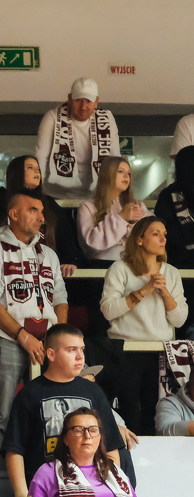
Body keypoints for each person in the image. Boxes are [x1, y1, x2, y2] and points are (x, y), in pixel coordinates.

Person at [0, 193, 69, 497]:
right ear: (13, 214)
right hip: (8, 339)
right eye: (33, 210)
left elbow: (60, 299)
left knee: (49, 412)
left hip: (47, 343)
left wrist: (58, 337)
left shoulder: (49, 255)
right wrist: (23, 336)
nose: (41, 217)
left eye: (42, 212)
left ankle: (46, 479)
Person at [2, 325, 125, 497]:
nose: (80, 356)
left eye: (81, 349)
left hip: (89, 491)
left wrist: (111, 487)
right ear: (51, 354)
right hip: (44, 492)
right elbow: (14, 449)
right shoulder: (30, 394)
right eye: (71, 350)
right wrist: (21, 493)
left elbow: (110, 447)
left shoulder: (93, 392)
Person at [102, 217, 187, 434]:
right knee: (129, 413)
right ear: (139, 239)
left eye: (164, 234)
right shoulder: (119, 269)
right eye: (156, 234)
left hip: (160, 352)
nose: (163, 239)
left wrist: (164, 293)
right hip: (126, 350)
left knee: (155, 414)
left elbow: (179, 320)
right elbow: (108, 310)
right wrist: (143, 291)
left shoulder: (171, 272)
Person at [35, 78, 120, 200]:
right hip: (55, 195)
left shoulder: (107, 119)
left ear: (96, 101)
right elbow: (41, 156)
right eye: (78, 100)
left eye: (88, 101)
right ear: (70, 99)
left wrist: (115, 194)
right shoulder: (52, 117)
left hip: (94, 195)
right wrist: (37, 192)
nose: (83, 107)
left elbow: (114, 157)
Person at [78, 156, 150, 263]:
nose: (126, 176)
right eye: (120, 171)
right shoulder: (88, 207)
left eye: (129, 173)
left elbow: (152, 236)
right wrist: (121, 218)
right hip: (103, 265)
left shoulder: (138, 205)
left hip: (135, 264)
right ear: (107, 174)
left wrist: (134, 224)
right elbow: (92, 242)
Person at [154, 147, 194, 273]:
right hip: (178, 265)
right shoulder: (168, 195)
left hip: (176, 265)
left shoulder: (168, 194)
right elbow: (163, 231)